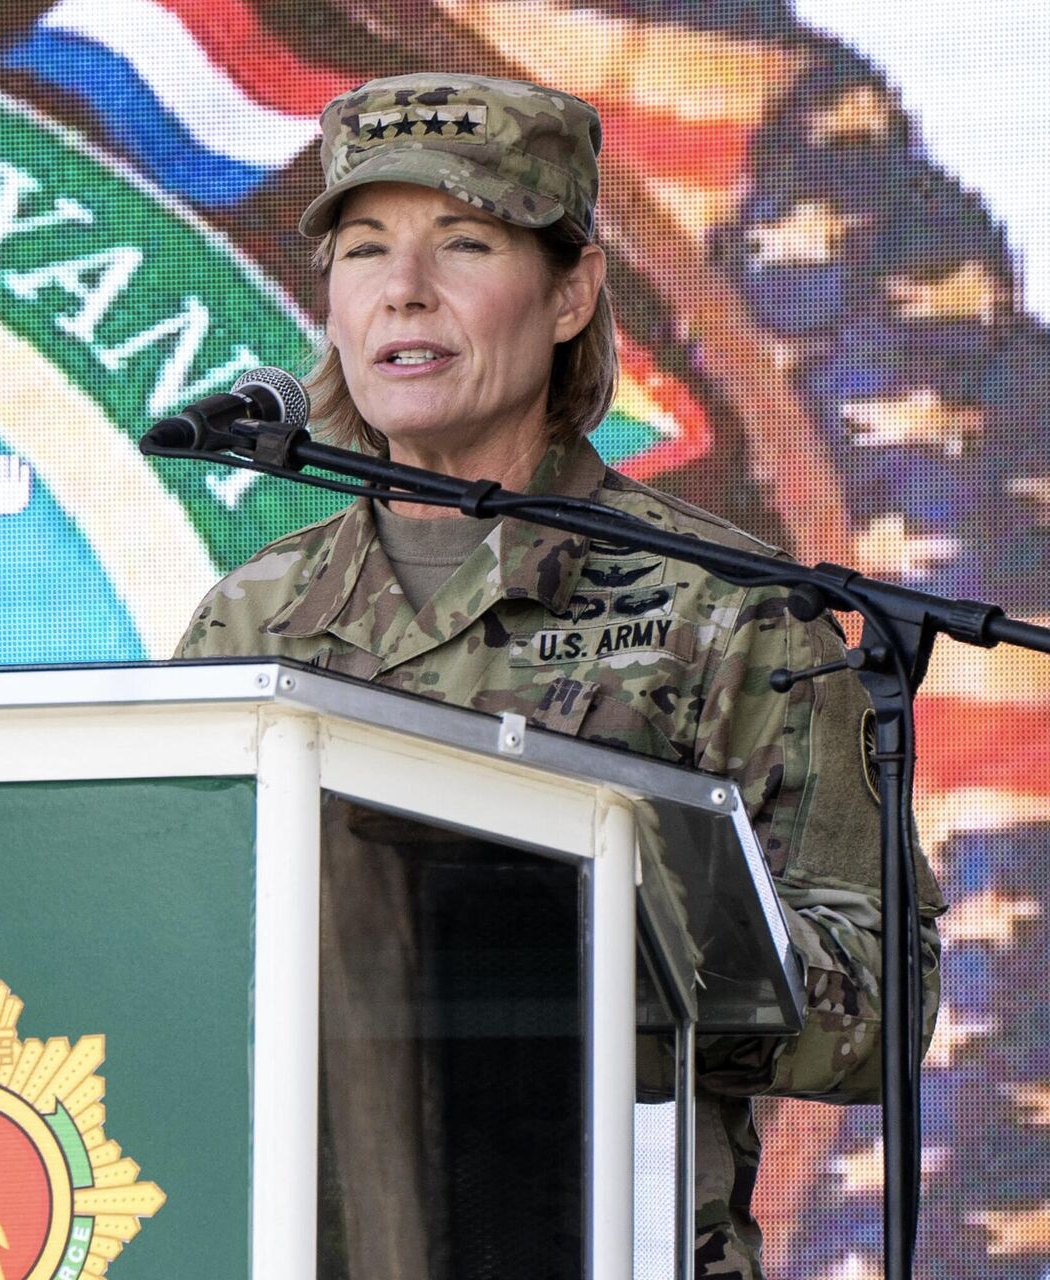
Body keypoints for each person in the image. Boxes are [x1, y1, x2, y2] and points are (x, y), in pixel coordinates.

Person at [173, 72, 945, 1278]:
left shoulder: (726, 609)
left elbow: (883, 1011)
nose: (403, 290)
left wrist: (577, 922)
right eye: (364, 248)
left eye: (463, 243)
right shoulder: (251, 622)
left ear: (573, 291)